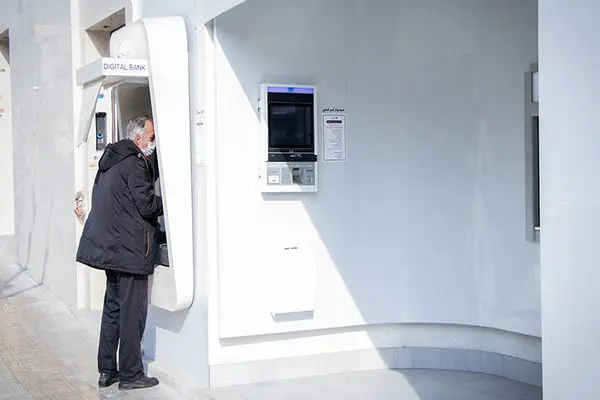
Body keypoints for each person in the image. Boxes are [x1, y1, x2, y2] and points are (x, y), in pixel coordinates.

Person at [76, 116, 162, 390]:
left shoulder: (111, 160)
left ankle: (106, 370)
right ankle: (131, 374)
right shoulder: (135, 163)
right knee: (132, 313)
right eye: (152, 137)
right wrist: (171, 202)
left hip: (111, 249)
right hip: (130, 250)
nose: (154, 142)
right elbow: (146, 205)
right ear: (138, 139)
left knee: (112, 309)